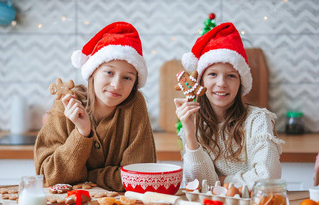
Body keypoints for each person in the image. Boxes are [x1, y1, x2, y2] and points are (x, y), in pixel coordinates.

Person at [34, 22, 157, 191]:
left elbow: (140, 177)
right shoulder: (67, 103)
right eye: (109, 72)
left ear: (135, 82)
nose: (116, 85)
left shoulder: (135, 105)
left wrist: (87, 176)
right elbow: (48, 177)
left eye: (127, 78)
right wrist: (82, 133)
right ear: (93, 73)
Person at [174, 22, 283, 189]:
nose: (221, 83)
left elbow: (268, 176)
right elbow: (195, 184)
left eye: (231, 76)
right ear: (201, 81)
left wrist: (222, 181)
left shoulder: (258, 120)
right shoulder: (192, 124)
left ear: (241, 83)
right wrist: (189, 133)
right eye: (212, 74)